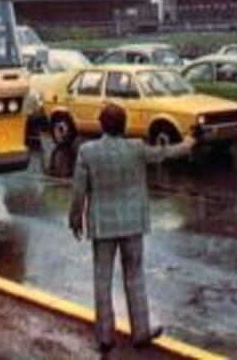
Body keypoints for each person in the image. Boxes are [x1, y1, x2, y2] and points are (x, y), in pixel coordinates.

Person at [69, 104, 194, 355]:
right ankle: (141, 331)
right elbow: (164, 154)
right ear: (124, 125)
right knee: (135, 276)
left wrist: (75, 218)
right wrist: (189, 142)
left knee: (102, 279)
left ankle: (105, 336)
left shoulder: (87, 152)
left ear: (102, 125)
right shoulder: (136, 148)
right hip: (133, 223)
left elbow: (78, 190)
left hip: (103, 225)